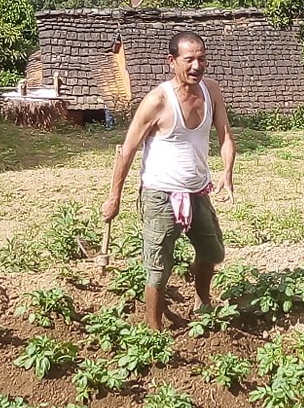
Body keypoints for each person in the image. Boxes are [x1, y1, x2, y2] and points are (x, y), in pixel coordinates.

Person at [101, 31, 236, 332]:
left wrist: (227, 173)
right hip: (159, 195)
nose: (196, 66)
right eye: (189, 60)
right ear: (172, 61)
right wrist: (114, 198)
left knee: (212, 253)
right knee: (159, 269)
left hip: (198, 192)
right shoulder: (158, 100)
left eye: (201, 59)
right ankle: (154, 327)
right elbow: (127, 150)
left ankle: (202, 301)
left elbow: (225, 135)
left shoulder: (211, 91)